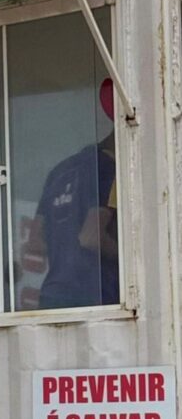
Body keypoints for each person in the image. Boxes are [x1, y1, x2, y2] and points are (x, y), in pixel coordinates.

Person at [31, 79, 119, 310]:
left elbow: (36, 243)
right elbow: (91, 237)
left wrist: (64, 250)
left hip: (53, 296)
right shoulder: (110, 167)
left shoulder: (61, 171)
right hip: (97, 297)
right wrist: (132, 259)